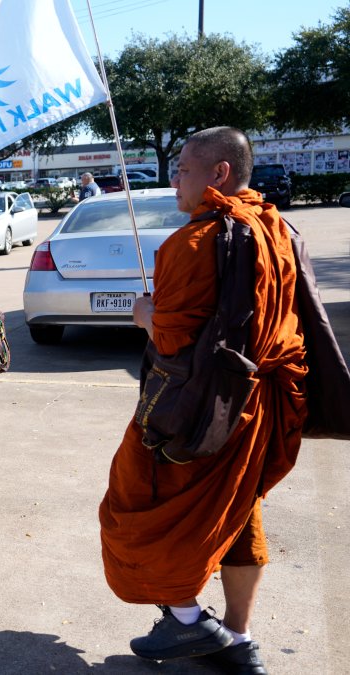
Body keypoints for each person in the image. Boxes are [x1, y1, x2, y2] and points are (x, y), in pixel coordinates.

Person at [99, 127, 307, 673]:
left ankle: (192, 623)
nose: (174, 181)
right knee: (237, 513)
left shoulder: (193, 243)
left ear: (218, 173)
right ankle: (237, 641)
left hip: (199, 410)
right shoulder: (275, 227)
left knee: (134, 508)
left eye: (183, 170)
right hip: (257, 406)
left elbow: (172, 338)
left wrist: (145, 315)